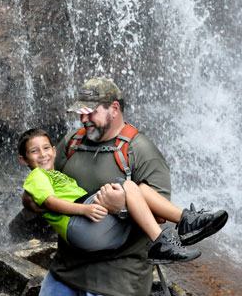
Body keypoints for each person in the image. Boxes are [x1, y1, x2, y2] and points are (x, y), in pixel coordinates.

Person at [22, 77, 227, 296]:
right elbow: (46, 183)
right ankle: (188, 220)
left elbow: (158, 216)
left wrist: (121, 207)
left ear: (114, 109)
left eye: (91, 113)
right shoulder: (72, 142)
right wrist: (30, 201)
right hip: (63, 276)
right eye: (81, 113)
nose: (84, 119)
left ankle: (186, 221)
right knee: (129, 188)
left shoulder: (141, 151)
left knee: (130, 188)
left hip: (117, 283)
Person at [18, 128, 227, 263]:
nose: (43, 154)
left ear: (55, 150)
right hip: (79, 224)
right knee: (127, 186)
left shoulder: (57, 175)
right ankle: (170, 233)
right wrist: (85, 209)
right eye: (34, 151)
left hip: (96, 234)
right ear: (24, 160)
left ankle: (184, 222)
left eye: (46, 148)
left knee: (141, 192)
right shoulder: (37, 176)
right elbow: (50, 202)